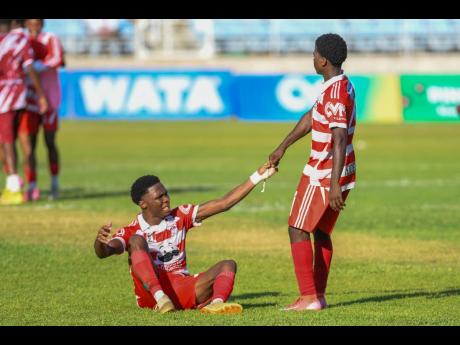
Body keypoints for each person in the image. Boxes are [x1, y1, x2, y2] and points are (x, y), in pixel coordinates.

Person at [94, 163, 277, 314]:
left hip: (181, 286)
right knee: (136, 241)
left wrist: (258, 176)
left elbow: (223, 203)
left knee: (228, 264)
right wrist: (100, 243)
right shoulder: (132, 230)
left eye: (166, 193)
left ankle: (217, 304)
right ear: (143, 204)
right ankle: (161, 299)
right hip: (152, 293)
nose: (166, 199)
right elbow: (106, 251)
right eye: (159, 197)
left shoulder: (180, 215)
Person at [268, 33, 356, 311]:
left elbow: (339, 138)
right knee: (320, 231)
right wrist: (283, 147)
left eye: (315, 53)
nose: (313, 57)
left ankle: (308, 297)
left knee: (297, 228)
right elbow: (311, 117)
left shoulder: (335, 93)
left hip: (323, 172)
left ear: (323, 60)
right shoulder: (337, 84)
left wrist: (332, 186)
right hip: (337, 171)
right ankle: (318, 296)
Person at [0, 19, 48, 205]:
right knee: (24, 141)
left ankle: (14, 187)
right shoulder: (23, 40)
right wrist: (41, 95)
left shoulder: (5, 40)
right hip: (22, 96)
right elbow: (30, 68)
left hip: (5, 97)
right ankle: (30, 184)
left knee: (6, 141)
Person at [23, 19, 65, 201]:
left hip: (48, 97)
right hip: (28, 98)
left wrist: (39, 66)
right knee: (28, 144)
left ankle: (54, 182)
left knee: (49, 141)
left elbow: (57, 58)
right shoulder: (22, 40)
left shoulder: (50, 38)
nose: (34, 25)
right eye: (31, 22)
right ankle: (31, 185)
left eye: (37, 22)